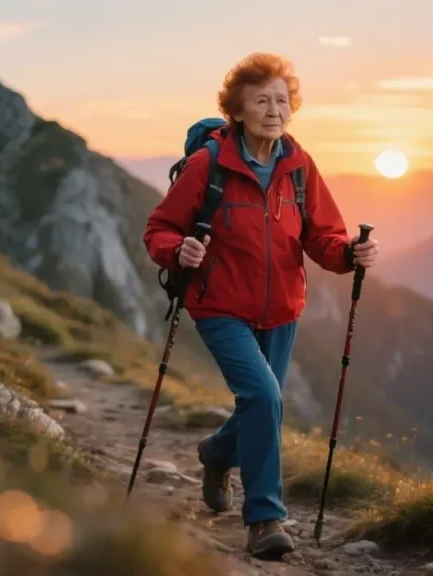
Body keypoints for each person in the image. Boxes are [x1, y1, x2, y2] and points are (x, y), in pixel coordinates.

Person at [142, 53, 380, 559]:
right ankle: (265, 519)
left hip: (282, 310)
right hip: (219, 305)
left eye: (281, 100)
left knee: (260, 404)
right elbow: (159, 228)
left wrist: (348, 254)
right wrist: (176, 250)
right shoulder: (209, 166)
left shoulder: (298, 165)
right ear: (238, 110)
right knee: (266, 400)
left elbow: (324, 235)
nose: (274, 110)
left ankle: (216, 452)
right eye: (261, 101)